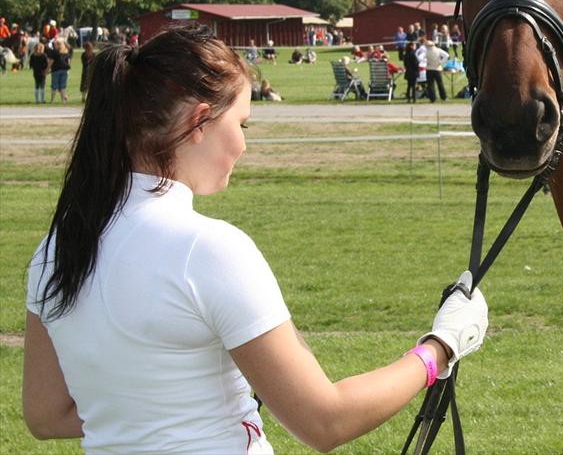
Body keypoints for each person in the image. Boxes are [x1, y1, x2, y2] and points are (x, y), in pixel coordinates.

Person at [22, 26, 489, 453]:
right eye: (241, 124)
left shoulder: (55, 248)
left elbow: (46, 414)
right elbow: (325, 421)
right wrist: (440, 347)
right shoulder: (206, 250)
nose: (243, 144)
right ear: (200, 122)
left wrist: (159, 406)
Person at [424, 38, 449, 102]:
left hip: (429, 69)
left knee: (430, 85)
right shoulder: (438, 50)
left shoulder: (426, 51)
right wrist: (440, 62)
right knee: (440, 84)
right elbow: (446, 55)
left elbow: (420, 58)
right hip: (437, 68)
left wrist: (426, 62)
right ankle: (444, 97)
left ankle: (432, 98)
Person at [48, 39, 72, 103]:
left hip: (56, 70)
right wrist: (68, 70)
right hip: (65, 70)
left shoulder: (55, 52)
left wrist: (47, 69)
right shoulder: (66, 52)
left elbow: (51, 62)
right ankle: (63, 101)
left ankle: (52, 100)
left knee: (54, 86)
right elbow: (68, 62)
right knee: (63, 86)